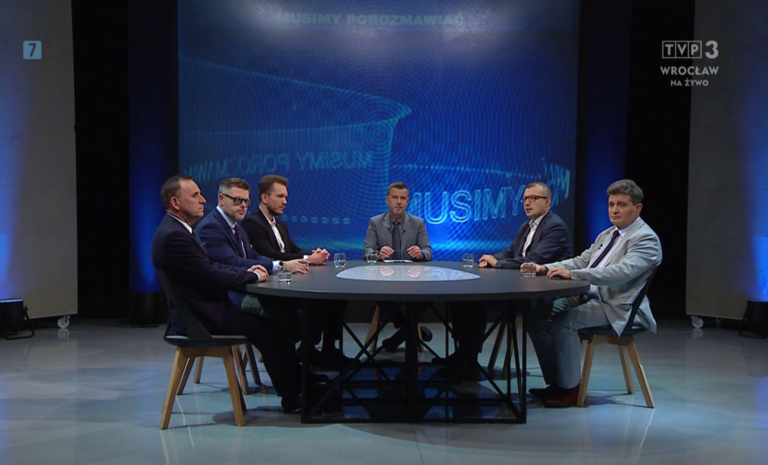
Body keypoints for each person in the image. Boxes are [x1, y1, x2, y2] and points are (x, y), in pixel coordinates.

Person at [150, 174, 321, 413]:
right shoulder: (175, 236)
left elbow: (212, 267)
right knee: (273, 329)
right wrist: (252, 275)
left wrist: (251, 271)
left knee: (278, 322)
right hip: (201, 317)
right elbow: (212, 275)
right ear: (176, 203)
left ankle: (301, 388)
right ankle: (295, 396)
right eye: (195, 195)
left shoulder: (179, 230)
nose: (203, 200)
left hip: (207, 307)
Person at [523, 179, 661, 407]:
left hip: (617, 306)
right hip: (589, 296)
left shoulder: (646, 239)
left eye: (621, 205)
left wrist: (574, 275)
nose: (614, 210)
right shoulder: (607, 234)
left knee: (564, 321)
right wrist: (545, 268)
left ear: (637, 208)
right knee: (537, 315)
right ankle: (557, 382)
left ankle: (570, 390)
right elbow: (581, 261)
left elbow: (621, 272)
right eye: (611, 204)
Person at [444, 182, 572, 380]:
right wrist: (492, 258)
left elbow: (535, 259)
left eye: (533, 198)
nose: (527, 203)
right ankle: (465, 354)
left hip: (541, 295)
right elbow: (510, 252)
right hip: (522, 288)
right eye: (525, 199)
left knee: (475, 302)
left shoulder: (555, 227)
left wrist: (498, 264)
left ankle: (468, 360)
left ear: (547, 201)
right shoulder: (526, 226)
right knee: (463, 299)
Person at [240, 175, 350, 368]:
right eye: (280, 196)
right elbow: (269, 254)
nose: (285, 201)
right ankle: (307, 351)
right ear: (264, 198)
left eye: (286, 197)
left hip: (288, 280)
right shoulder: (252, 223)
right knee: (315, 302)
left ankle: (328, 350)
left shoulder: (279, 223)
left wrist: (313, 254)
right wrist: (308, 259)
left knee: (336, 297)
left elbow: (292, 249)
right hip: (272, 287)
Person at [194, 177, 309, 344]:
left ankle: (303, 355)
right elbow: (234, 262)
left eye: (246, 201)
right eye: (237, 200)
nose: (243, 205)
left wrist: (279, 265)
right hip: (228, 297)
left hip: (243, 288)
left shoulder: (236, 226)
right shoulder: (211, 227)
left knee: (296, 310)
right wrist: (281, 265)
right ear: (221, 199)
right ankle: (291, 358)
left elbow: (253, 255)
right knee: (285, 314)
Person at [363, 181, 433, 351]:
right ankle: (409, 328)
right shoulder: (375, 222)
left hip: (412, 281)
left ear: (408, 201)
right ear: (387, 200)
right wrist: (378, 255)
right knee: (384, 296)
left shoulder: (418, 223)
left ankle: (401, 334)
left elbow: (428, 251)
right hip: (384, 280)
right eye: (395, 198)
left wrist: (420, 253)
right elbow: (366, 252)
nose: (399, 202)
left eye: (403, 198)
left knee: (428, 297)